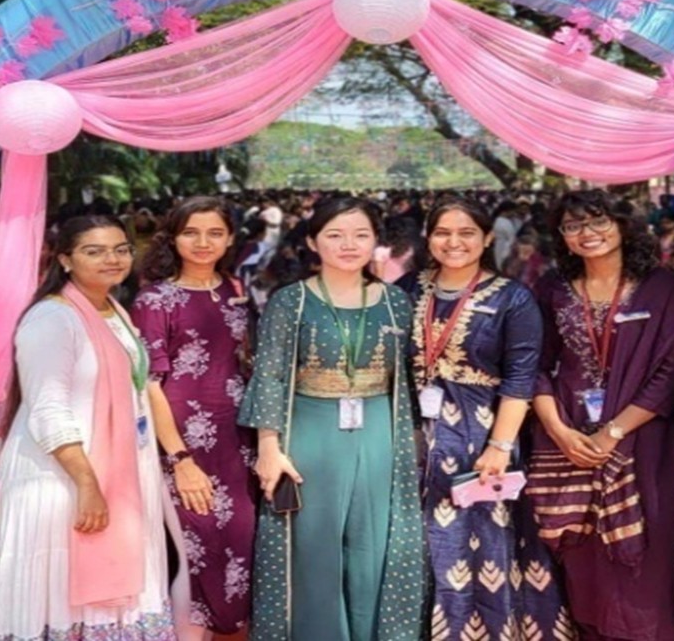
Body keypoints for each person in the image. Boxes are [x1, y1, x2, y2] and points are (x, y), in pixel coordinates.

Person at [238, 195, 425, 640]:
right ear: (312, 241)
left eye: (361, 235)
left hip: (380, 431)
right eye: (335, 235)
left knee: (375, 546)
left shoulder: (397, 302)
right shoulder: (291, 301)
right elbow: (270, 374)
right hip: (310, 431)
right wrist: (268, 447)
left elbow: (410, 378)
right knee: (313, 546)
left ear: (376, 242)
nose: (348, 245)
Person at [0, 216, 179, 640]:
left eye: (121, 249)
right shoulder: (52, 318)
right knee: (63, 578)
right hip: (64, 474)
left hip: (120, 466)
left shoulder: (112, 307)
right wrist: (87, 483)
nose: (112, 259)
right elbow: (48, 408)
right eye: (95, 251)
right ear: (65, 260)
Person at [528, 191, 674, 640]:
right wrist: (558, 431)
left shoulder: (662, 287)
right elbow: (534, 364)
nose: (587, 233)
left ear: (621, 225)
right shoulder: (553, 287)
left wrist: (614, 431)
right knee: (582, 557)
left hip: (642, 439)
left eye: (598, 221)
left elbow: (670, 371)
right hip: (568, 442)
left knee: (646, 551)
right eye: (573, 225)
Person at [406, 196, 569, 639]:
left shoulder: (513, 298)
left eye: (466, 233)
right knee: (414, 546)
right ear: (428, 238)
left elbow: (520, 378)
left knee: (478, 544)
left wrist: (499, 446)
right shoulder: (406, 290)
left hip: (480, 439)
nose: (453, 242)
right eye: (442, 232)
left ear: (487, 238)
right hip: (412, 440)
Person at [133, 197, 256, 638]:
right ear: (173, 238)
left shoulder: (237, 291)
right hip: (183, 442)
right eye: (191, 232)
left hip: (239, 441)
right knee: (195, 552)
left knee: (239, 546)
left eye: (215, 233)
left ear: (230, 238)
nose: (203, 242)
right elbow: (149, 384)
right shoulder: (154, 300)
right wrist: (180, 459)